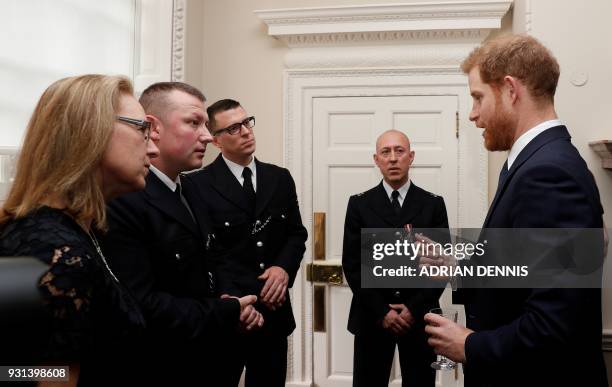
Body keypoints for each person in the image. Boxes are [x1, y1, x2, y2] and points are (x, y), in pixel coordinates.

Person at [423, 35, 608, 386]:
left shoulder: (548, 173)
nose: (474, 115)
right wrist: (456, 269)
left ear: (510, 90)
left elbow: (555, 325)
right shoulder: (531, 163)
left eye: (477, 97)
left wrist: (470, 345)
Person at [0, 74, 159, 386]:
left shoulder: (72, 233)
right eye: (143, 129)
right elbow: (23, 374)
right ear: (90, 131)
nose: (153, 147)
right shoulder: (51, 250)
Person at [100, 83, 262, 385]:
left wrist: (234, 299)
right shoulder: (124, 199)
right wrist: (225, 310)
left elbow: (213, 256)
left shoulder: (190, 189)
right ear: (153, 128)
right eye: (193, 122)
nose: (207, 136)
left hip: (207, 357)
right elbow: (141, 304)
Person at [184, 98, 308, 387]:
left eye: (247, 122)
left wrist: (282, 268)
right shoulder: (197, 185)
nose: (246, 131)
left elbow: (296, 234)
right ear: (216, 140)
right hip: (229, 313)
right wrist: (233, 299)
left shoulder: (279, 178)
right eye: (234, 128)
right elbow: (207, 252)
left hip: (274, 313)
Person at [342, 130, 449, 387]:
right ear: (376, 159)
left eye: (399, 151)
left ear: (411, 157)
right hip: (372, 317)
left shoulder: (432, 204)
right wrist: (383, 312)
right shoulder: (359, 204)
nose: (392, 158)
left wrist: (412, 308)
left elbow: (441, 266)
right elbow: (353, 265)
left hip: (420, 317)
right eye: (385, 152)